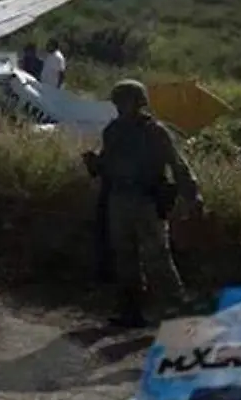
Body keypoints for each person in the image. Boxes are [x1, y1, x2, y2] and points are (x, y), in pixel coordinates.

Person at [82, 80, 203, 328]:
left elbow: (178, 165)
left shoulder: (156, 132)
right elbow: (106, 166)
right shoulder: (113, 131)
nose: (119, 108)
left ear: (138, 103)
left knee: (158, 258)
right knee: (125, 258)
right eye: (117, 103)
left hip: (147, 201)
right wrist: (94, 164)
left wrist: (192, 194)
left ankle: (177, 312)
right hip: (119, 199)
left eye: (123, 102)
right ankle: (132, 312)